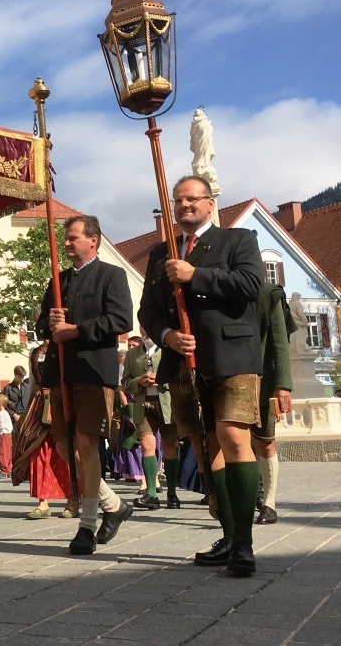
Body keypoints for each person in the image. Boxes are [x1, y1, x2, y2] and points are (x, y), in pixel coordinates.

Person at [139, 175, 264, 577]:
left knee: (233, 437)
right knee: (205, 446)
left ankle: (243, 543)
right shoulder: (161, 253)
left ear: (211, 203)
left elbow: (251, 285)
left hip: (232, 355)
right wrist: (166, 335)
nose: (185, 205)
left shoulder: (237, 240)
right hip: (183, 361)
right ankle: (228, 535)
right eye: (178, 200)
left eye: (192, 199)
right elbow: (147, 310)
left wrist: (195, 275)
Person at [35, 215, 134, 555]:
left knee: (87, 444)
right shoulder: (58, 280)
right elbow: (42, 328)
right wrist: (48, 323)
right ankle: (113, 504)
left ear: (93, 240)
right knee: (65, 447)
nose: (66, 243)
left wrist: (76, 330)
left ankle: (87, 526)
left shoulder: (111, 275)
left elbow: (120, 319)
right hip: (61, 373)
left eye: (73, 237)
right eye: (64, 238)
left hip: (93, 371)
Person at [11, 339, 78, 520]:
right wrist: (28, 407)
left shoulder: (68, 346)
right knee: (37, 450)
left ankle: (72, 500)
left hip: (61, 400)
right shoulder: (35, 351)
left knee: (65, 449)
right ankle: (42, 502)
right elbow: (33, 382)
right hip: (40, 403)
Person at [252, 282, 297, 526]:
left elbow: (280, 343)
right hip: (231, 375)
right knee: (236, 441)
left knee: (265, 442)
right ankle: (248, 496)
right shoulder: (224, 288)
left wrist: (283, 385)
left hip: (264, 380)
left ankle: (269, 503)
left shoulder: (269, 294)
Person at [124, 331, 182, 511]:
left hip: (167, 404)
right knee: (146, 444)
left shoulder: (169, 349)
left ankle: (172, 493)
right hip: (142, 404)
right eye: (142, 327)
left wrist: (161, 378)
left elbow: (180, 377)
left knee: (169, 447)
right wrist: (139, 381)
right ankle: (151, 493)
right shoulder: (132, 354)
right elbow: (125, 383)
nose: (146, 331)